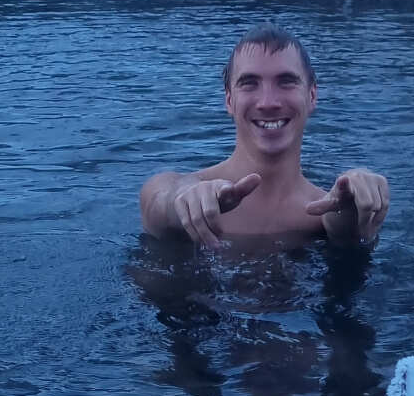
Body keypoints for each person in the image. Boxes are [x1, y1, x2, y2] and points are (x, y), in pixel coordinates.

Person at [139, 26, 391, 247]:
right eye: (249, 83)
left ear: (312, 96)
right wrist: (182, 200)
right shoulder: (182, 188)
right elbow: (158, 203)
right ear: (229, 100)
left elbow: (345, 235)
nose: (268, 102)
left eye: (286, 82)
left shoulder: (323, 211)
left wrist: (354, 204)